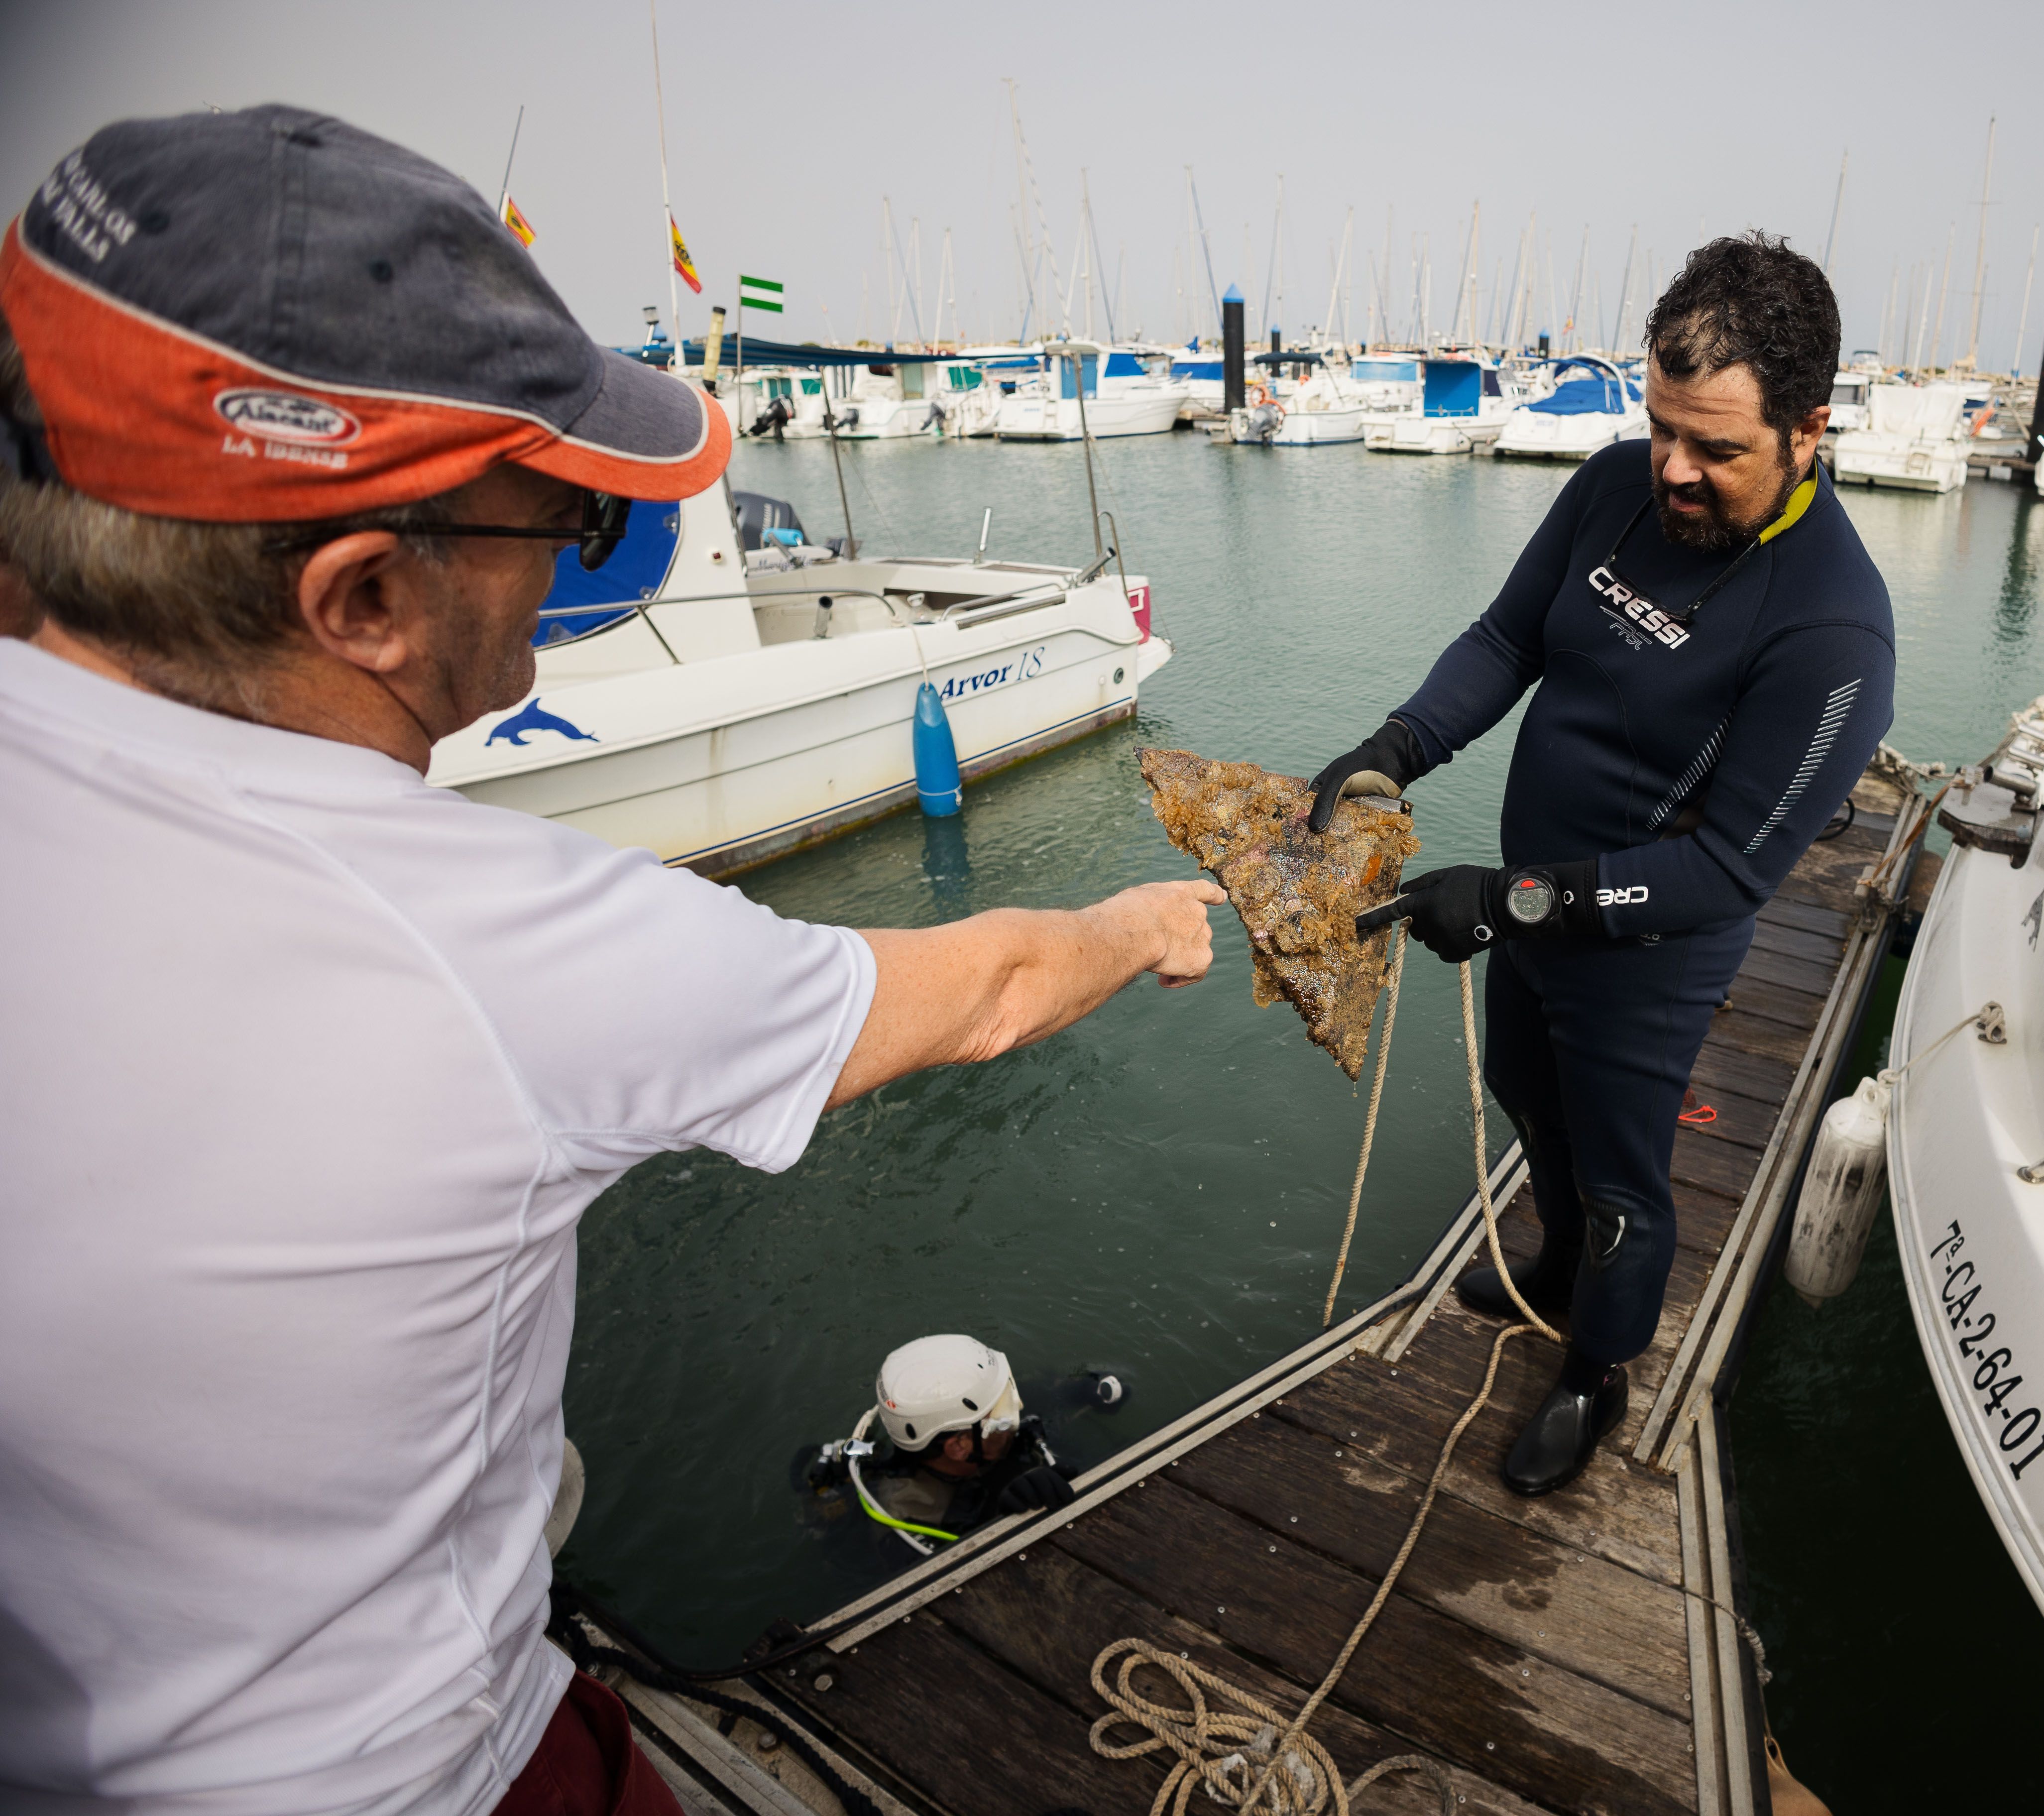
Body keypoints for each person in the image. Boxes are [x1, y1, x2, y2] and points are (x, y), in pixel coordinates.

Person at [0, 109, 1221, 1816]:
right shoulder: (483, 937)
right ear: (363, 597)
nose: (576, 560)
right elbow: (992, 990)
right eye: (564, 526)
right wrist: (1136, 917)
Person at [1327, 233, 1895, 1497]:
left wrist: (1509, 899)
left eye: (1717, 450)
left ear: (1807, 428)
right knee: (1532, 1104)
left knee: (1628, 1181)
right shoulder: (1607, 488)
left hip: (1646, 951)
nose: (1675, 473)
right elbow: (1504, 637)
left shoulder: (1833, 630)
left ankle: (1595, 1370)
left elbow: (1723, 875)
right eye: (1660, 429)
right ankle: (1547, 1261)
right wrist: (1393, 747)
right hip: (1532, 912)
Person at [841, 1335, 1076, 1542]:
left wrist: (1074, 1391)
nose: (1018, 1409)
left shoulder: (969, 1423)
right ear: (959, 1447)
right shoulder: (911, 1514)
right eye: (1003, 1414)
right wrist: (1000, 1520)